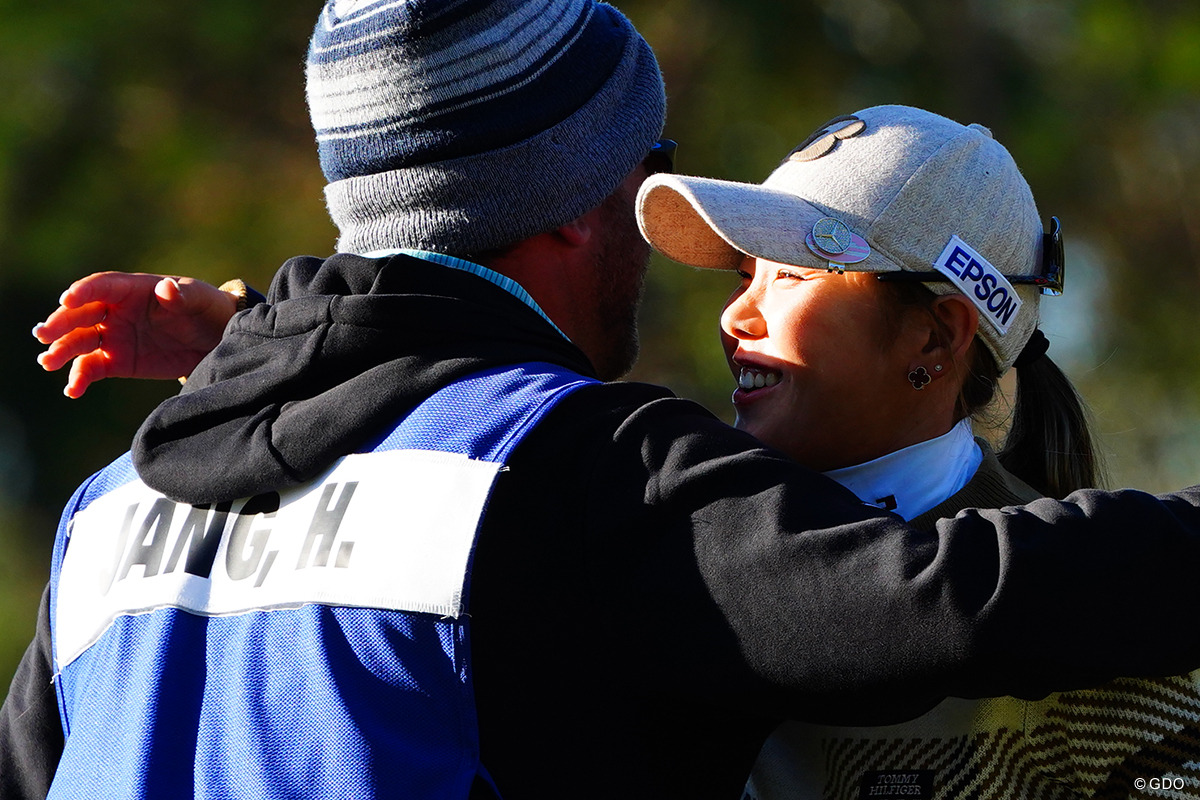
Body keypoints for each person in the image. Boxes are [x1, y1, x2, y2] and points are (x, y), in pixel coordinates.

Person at [9, 2, 1200, 797]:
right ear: (578, 203)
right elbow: (942, 602)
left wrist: (262, 344)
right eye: (651, 161)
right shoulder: (581, 471)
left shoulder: (108, 516)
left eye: (789, 271)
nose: (728, 308)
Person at [635, 105, 1200, 797]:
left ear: (935, 338)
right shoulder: (668, 542)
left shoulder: (1109, 636)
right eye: (744, 275)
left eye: (790, 274)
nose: (734, 316)